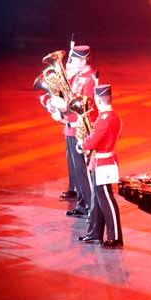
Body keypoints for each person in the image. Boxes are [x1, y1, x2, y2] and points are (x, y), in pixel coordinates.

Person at [43, 44, 96, 217]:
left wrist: (64, 108)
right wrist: (55, 106)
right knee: (77, 172)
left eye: (73, 60)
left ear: (82, 61)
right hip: (69, 127)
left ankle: (90, 206)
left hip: (79, 129)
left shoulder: (88, 79)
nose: (69, 63)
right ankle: (82, 205)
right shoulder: (77, 76)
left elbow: (83, 106)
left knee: (82, 172)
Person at [79, 84, 124, 247]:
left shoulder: (105, 119)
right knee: (97, 200)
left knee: (106, 200)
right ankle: (95, 233)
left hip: (103, 164)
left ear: (98, 100)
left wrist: (81, 145)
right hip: (100, 162)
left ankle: (115, 236)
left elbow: (92, 142)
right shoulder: (115, 116)